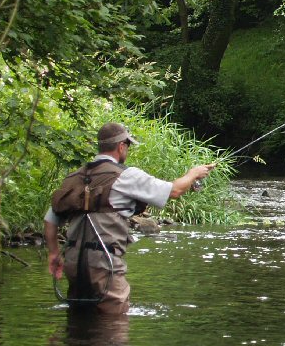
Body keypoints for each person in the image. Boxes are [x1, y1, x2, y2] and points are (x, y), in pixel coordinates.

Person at [44, 122, 214, 315]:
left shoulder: (73, 178)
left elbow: (50, 221)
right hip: (104, 263)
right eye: (128, 146)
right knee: (114, 327)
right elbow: (173, 190)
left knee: (78, 322)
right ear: (121, 146)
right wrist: (193, 174)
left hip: (73, 262)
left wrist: (54, 253)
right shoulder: (126, 176)